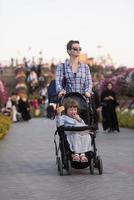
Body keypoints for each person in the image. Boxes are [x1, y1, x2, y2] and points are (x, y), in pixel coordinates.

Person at [56, 98, 92, 162]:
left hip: (81, 133)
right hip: (71, 133)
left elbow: (83, 125)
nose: (73, 112)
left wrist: (79, 119)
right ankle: (76, 154)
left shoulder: (77, 117)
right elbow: (59, 125)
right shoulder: (64, 117)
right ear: (66, 110)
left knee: (87, 136)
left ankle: (83, 154)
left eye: (75, 110)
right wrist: (59, 114)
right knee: (76, 136)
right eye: (71, 110)